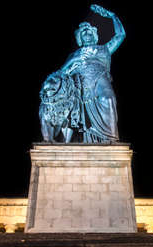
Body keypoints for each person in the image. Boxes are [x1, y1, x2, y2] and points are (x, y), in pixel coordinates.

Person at [59, 4, 125, 143]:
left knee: (108, 98)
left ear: (94, 35)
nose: (87, 35)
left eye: (89, 32)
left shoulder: (104, 49)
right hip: (79, 84)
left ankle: (111, 140)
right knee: (69, 107)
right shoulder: (75, 53)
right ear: (80, 38)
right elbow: (60, 74)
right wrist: (74, 60)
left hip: (100, 77)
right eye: (84, 33)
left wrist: (112, 15)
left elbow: (120, 35)